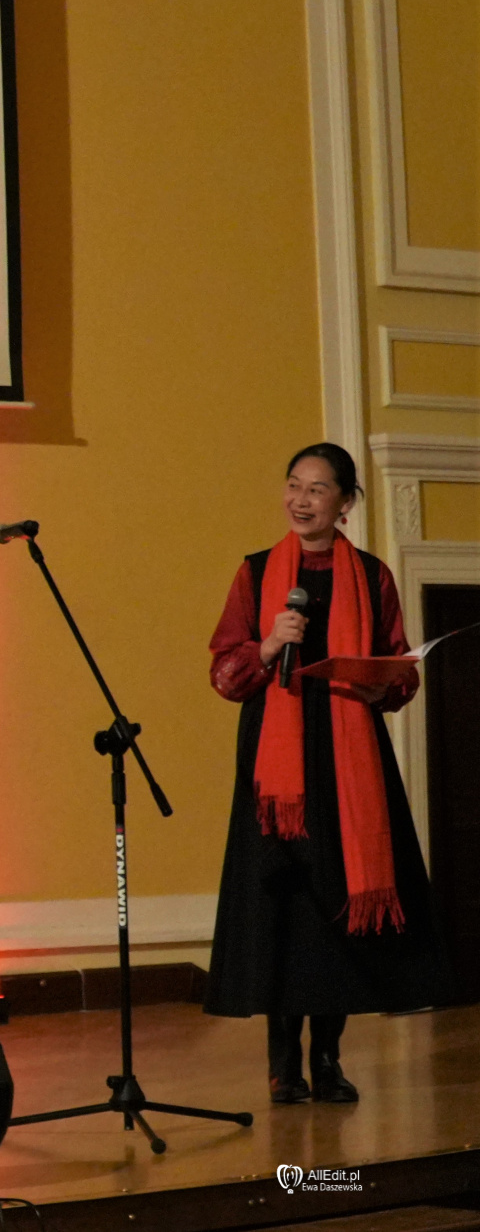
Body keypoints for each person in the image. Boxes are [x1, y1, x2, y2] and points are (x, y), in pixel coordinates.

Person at [205, 442, 449, 1105]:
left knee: (336, 913)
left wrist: (384, 683)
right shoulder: (257, 572)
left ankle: (329, 1059)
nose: (301, 499)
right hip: (276, 772)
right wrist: (267, 645)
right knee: (284, 909)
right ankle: (284, 1065)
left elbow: (399, 669)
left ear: (345, 503)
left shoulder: (371, 576)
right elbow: (225, 673)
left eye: (317, 489)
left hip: (348, 759)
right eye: (294, 485)